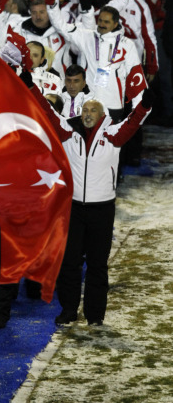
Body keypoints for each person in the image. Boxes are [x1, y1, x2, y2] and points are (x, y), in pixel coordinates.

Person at [23, 74, 153, 325]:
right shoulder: (68, 131)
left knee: (97, 264)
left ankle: (95, 315)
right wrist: (29, 86)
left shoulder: (114, 134)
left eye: (93, 109)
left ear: (102, 114)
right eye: (85, 109)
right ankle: (69, 309)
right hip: (72, 209)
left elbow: (134, 121)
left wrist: (145, 105)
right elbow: (46, 111)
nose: (88, 112)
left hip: (102, 209)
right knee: (69, 262)